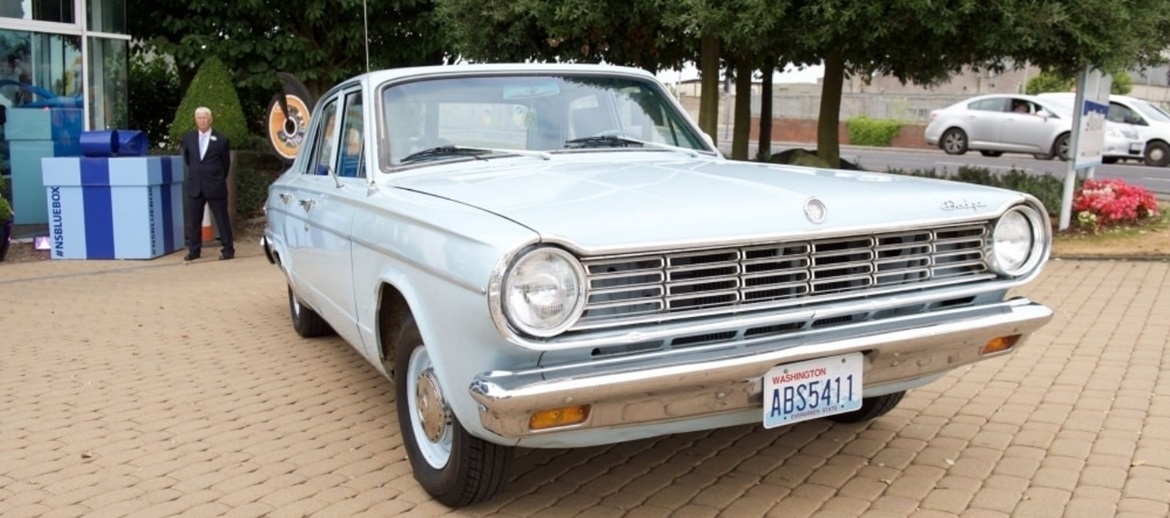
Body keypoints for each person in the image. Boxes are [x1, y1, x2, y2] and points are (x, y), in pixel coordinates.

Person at [181, 106, 234, 261]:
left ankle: (228, 249)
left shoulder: (222, 139)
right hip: (195, 185)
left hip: (215, 185)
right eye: (199, 118)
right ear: (195, 120)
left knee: (221, 219)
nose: (202, 120)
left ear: (210, 119)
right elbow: (188, 159)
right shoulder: (189, 138)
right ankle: (194, 250)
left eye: (205, 117)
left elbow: (225, 163)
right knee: (194, 220)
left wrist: (217, 177)